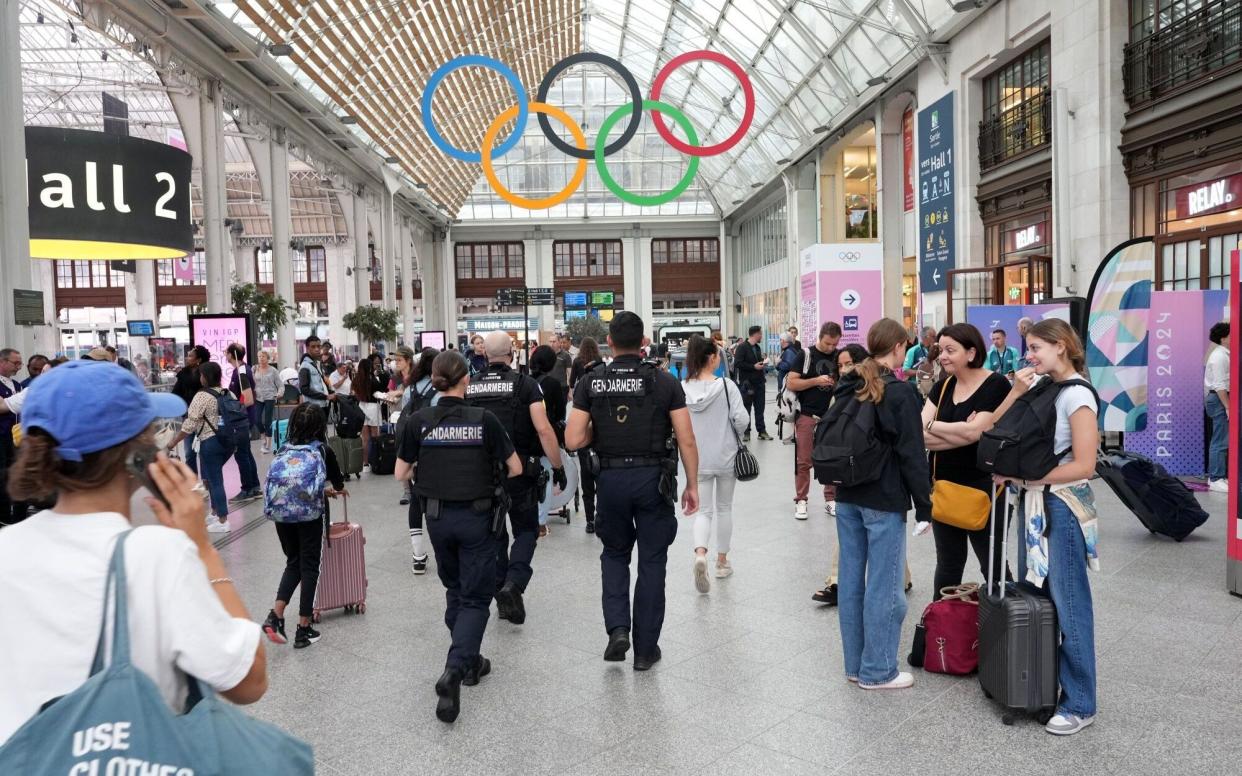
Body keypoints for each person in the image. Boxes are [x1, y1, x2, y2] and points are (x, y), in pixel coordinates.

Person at [0, 360, 267, 743]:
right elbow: (249, 681)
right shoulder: (157, 554)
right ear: (134, 456)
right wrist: (202, 549)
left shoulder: (5, 548)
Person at [566, 311, 700, 671]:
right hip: (653, 480)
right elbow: (686, 438)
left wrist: (600, 434)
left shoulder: (591, 382)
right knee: (653, 562)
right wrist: (692, 484)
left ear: (609, 341)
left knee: (614, 555)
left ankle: (618, 630)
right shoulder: (665, 381)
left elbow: (573, 438)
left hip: (609, 481)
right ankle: (645, 649)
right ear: (644, 342)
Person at [394, 352, 522, 723]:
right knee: (477, 598)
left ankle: (471, 661)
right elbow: (514, 467)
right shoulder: (485, 421)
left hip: (437, 518)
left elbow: (402, 470)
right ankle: (454, 669)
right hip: (477, 519)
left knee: (455, 589)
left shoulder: (419, 421)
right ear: (465, 379)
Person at [989, 318, 1100, 735]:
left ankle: (1081, 702)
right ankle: (1039, 686)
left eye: (1036, 347)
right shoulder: (1041, 388)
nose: (1030, 355)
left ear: (1062, 346)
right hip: (1034, 501)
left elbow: (1085, 465)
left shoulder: (1077, 397)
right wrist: (1017, 389)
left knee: (1069, 604)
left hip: (1062, 507)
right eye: (1029, 347)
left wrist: (1030, 480)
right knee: (1038, 597)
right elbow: (994, 429)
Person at [833, 318, 931, 691]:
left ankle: (856, 665)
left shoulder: (848, 383)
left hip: (847, 496)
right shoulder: (900, 392)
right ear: (898, 349)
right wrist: (925, 506)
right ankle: (878, 671)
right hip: (883, 499)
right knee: (885, 586)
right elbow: (911, 454)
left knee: (852, 583)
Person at [466, 331, 565, 625]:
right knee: (525, 531)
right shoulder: (526, 385)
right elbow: (544, 430)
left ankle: (503, 594)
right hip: (521, 470)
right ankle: (514, 584)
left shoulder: (470, 386)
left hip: (483, 474)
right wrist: (557, 466)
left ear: (485, 354)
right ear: (512, 353)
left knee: (495, 535)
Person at [917, 324, 1010, 598]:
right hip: (945, 488)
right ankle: (939, 631)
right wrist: (962, 430)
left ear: (971, 353)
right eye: (940, 349)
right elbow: (918, 433)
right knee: (948, 565)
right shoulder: (943, 386)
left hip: (985, 489)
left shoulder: (996, 385)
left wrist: (937, 425)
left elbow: (976, 431)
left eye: (950, 350)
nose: (942, 356)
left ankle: (1007, 628)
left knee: (992, 565)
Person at [260, 403, 347, 649]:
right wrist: (333, 491)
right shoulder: (322, 450)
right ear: (320, 426)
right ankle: (304, 627)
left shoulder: (283, 449)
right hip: (309, 516)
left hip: (281, 514)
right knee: (309, 567)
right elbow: (339, 484)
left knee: (294, 562)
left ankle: (275, 615)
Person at [681, 334, 748, 593]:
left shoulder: (682, 388)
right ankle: (721, 562)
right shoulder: (727, 386)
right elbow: (741, 420)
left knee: (703, 511)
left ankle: (700, 554)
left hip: (695, 459)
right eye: (718, 355)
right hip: (726, 456)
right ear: (711, 358)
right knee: (724, 509)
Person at [164, 362, 239, 533]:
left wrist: (173, 443)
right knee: (208, 477)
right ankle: (214, 511)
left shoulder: (202, 396)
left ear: (204, 377)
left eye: (201, 375)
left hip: (210, 441)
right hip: (227, 442)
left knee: (215, 480)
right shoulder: (228, 393)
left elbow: (189, 424)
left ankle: (222, 520)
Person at [389, 346, 439, 572]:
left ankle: (418, 555)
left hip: (412, 449)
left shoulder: (410, 389)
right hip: (433, 451)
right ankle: (442, 549)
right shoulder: (439, 389)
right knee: (436, 500)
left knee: (416, 501)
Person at [786, 321, 842, 519]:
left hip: (833, 416)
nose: (831, 348)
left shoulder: (839, 357)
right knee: (803, 460)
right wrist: (816, 381)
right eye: (828, 343)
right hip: (807, 415)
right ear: (820, 337)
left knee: (832, 458)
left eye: (835, 344)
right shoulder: (805, 354)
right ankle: (801, 500)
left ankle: (831, 499)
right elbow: (791, 381)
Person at [529, 345, 568, 535]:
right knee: (544, 479)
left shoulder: (524, 381)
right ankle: (541, 524)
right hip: (544, 438)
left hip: (525, 437)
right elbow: (560, 414)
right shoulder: (553, 384)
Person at [570, 337, 602, 534]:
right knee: (601, 475)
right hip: (598, 424)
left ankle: (589, 520)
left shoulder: (577, 361)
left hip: (582, 417)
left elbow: (571, 384)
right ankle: (601, 517)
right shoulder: (599, 361)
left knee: (586, 475)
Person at [224, 343, 262, 505]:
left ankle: (247, 489)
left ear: (232, 354)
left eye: (226, 352)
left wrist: (232, 408)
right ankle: (254, 487)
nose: (224, 354)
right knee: (246, 453)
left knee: (241, 454)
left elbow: (248, 399)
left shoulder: (241, 373)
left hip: (242, 419)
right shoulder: (242, 371)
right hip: (245, 418)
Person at [172, 345, 211, 472]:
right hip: (187, 415)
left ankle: (206, 481)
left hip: (203, 416)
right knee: (189, 452)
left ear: (198, 359)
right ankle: (193, 481)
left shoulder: (205, 371)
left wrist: (180, 374)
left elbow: (194, 383)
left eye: (190, 356)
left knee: (204, 452)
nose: (187, 358)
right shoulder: (185, 372)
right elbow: (176, 391)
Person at [0, 348, 26, 525]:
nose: (19, 367)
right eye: (15, 363)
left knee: (18, 475)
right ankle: (3, 516)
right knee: (2, 477)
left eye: (20, 363)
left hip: (16, 438)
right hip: (1, 439)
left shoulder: (16, 385)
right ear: (2, 362)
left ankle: (19, 516)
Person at [734, 325, 772, 442]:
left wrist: (762, 364)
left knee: (760, 408)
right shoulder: (742, 347)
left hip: (760, 383)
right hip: (748, 384)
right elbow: (738, 363)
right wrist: (753, 367)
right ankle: (746, 432)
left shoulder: (758, 347)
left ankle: (762, 431)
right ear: (755, 334)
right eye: (760, 334)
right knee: (747, 408)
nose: (761, 336)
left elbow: (756, 362)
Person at [1205, 322, 1230, 492]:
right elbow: (1220, 385)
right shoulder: (1220, 357)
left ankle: (1218, 476)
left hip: (1219, 398)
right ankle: (1215, 478)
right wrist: (1228, 406)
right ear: (1223, 338)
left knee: (1222, 438)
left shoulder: (1224, 354)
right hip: (1219, 399)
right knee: (1220, 440)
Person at [352, 357, 382, 472]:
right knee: (375, 437)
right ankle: (376, 461)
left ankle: (365, 464)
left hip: (361, 407)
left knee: (364, 438)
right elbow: (379, 390)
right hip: (373, 407)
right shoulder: (372, 378)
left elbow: (354, 394)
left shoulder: (356, 380)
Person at [253, 349, 283, 453]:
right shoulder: (254, 369)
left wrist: (280, 393)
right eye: (259, 356)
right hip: (258, 397)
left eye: (263, 356)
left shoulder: (273, 370)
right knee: (256, 419)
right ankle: (263, 437)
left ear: (267, 358)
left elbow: (280, 384)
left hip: (270, 396)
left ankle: (267, 445)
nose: (261, 358)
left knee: (267, 420)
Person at [299, 336, 336, 409]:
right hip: (313, 407)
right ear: (307, 348)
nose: (317, 349)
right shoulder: (305, 366)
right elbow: (304, 389)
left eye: (318, 346)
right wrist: (325, 396)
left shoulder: (317, 363)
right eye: (313, 347)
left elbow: (321, 384)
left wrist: (330, 393)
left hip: (324, 404)